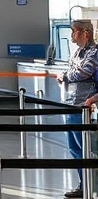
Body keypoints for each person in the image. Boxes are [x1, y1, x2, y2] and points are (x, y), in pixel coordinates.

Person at [57, 20, 98, 198]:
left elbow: (82, 73)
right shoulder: (76, 53)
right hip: (70, 103)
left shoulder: (94, 52)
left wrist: (65, 76)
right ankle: (83, 183)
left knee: (86, 147)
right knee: (74, 148)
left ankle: (91, 184)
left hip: (82, 105)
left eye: (74, 31)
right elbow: (73, 70)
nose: (72, 34)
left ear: (85, 33)